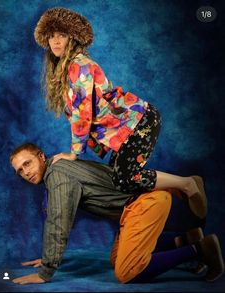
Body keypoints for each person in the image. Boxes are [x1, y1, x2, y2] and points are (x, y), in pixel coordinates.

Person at [33, 7, 208, 220]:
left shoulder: (79, 66)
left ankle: (187, 184)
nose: (55, 41)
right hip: (127, 129)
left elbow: (83, 113)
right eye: (51, 36)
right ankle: (178, 202)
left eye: (61, 35)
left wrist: (73, 153)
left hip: (140, 122)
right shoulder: (70, 67)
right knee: (119, 181)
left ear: (74, 38)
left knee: (126, 178)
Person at [9, 143, 224, 285]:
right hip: (134, 208)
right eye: (20, 170)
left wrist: (45, 271)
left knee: (127, 270)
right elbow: (57, 214)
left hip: (145, 203)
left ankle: (201, 249)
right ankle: (186, 239)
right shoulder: (59, 167)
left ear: (40, 156)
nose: (25, 172)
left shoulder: (58, 175)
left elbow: (59, 221)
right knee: (116, 260)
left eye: (27, 164)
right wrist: (48, 256)